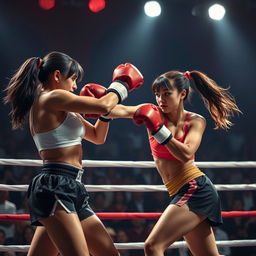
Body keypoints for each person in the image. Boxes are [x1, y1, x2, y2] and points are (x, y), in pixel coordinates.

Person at [4, 51, 144, 256]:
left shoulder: (64, 107)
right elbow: (104, 105)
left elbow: (97, 136)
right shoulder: (51, 97)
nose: (76, 86)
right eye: (73, 79)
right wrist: (122, 83)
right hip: (56, 186)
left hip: (72, 187)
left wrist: (146, 111)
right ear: (57, 75)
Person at [104, 70, 241, 255]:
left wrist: (159, 130)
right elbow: (115, 110)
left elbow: (186, 153)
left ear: (182, 94)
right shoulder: (152, 112)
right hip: (181, 191)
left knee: (152, 246)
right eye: (157, 94)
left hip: (195, 189)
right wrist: (101, 98)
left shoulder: (195, 121)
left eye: (167, 94)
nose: (161, 99)